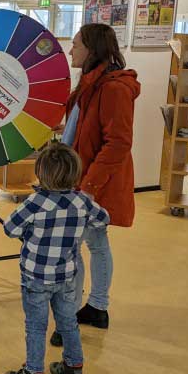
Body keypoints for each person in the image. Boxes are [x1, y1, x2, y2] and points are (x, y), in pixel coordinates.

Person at [52, 23, 140, 343]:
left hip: (91, 184)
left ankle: (69, 319)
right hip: (81, 180)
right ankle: (97, 307)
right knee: (94, 243)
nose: (70, 50)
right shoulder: (90, 85)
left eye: (75, 44)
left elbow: (117, 143)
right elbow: (80, 131)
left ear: (92, 49)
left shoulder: (113, 88)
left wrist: (88, 188)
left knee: (73, 248)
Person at [3, 142, 110, 374]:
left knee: (36, 327)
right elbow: (103, 218)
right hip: (66, 276)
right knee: (68, 323)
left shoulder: (35, 202)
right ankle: (73, 369)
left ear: (40, 172)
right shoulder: (81, 201)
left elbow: (10, 228)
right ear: (76, 173)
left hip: (35, 278)